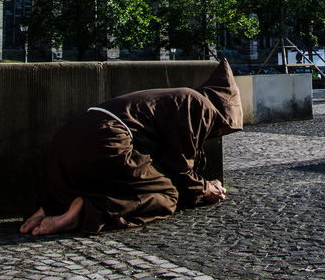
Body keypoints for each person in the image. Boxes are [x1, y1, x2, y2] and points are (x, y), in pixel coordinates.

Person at [20, 58, 242, 237]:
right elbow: (179, 168)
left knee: (131, 179)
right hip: (105, 142)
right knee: (167, 194)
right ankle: (88, 211)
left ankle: (53, 207)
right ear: (223, 114)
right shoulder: (199, 106)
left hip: (66, 142)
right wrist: (205, 189)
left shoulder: (175, 97)